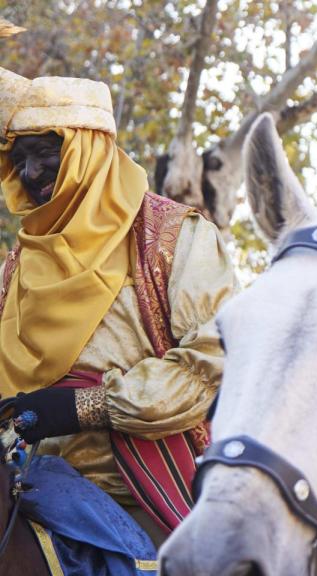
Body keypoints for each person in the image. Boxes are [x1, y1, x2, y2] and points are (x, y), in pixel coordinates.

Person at [0, 67, 236, 546]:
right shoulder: (14, 267)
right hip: (24, 486)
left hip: (145, 494)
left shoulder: (175, 237)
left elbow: (210, 367)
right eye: (20, 160)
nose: (30, 174)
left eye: (45, 154)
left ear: (88, 150)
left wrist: (84, 406)